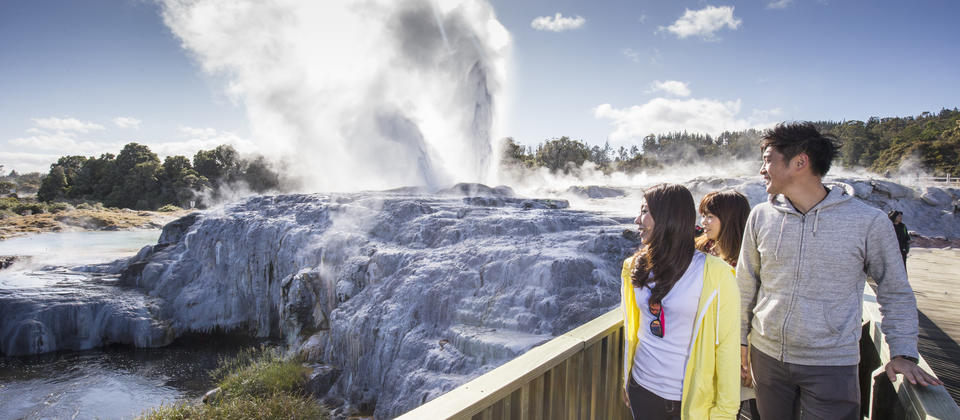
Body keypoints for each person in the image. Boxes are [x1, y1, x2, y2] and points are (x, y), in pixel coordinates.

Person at [738, 122, 942, 420]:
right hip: (767, 358)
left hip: (831, 364)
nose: (762, 169)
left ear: (800, 162)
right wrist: (741, 340)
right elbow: (746, 283)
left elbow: (895, 290)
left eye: (768, 159)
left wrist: (903, 353)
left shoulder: (867, 222)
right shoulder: (761, 216)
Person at [620, 183, 740, 420]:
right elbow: (634, 329)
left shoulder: (715, 273)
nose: (637, 219)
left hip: (689, 399)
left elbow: (727, 347)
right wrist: (627, 379)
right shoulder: (634, 266)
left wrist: (725, 412)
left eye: (645, 211)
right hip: (642, 388)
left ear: (668, 217)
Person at [695, 190, 759, 419]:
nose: (703, 222)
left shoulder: (748, 262)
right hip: (703, 350)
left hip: (737, 351)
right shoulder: (699, 251)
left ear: (730, 219)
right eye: (703, 215)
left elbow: (751, 308)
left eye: (710, 216)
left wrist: (750, 355)